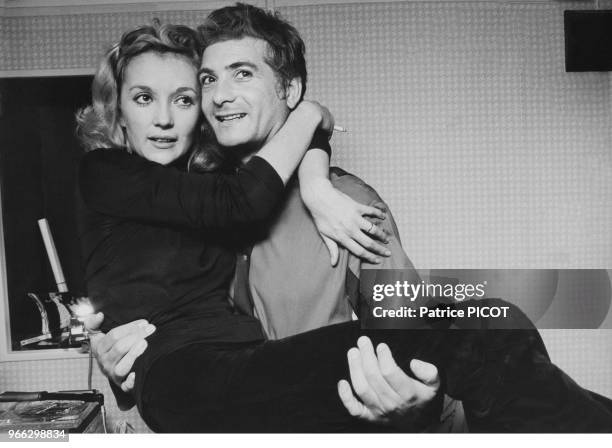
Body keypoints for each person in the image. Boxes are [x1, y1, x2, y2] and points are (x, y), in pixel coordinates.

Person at [79, 5, 612, 433]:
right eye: (210, 79)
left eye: (243, 74)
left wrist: (416, 408)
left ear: (288, 91)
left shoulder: (347, 205)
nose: (221, 96)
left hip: (348, 420)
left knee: (488, 326)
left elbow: (418, 342)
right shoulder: (195, 197)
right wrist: (118, 362)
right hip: (220, 397)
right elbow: (160, 304)